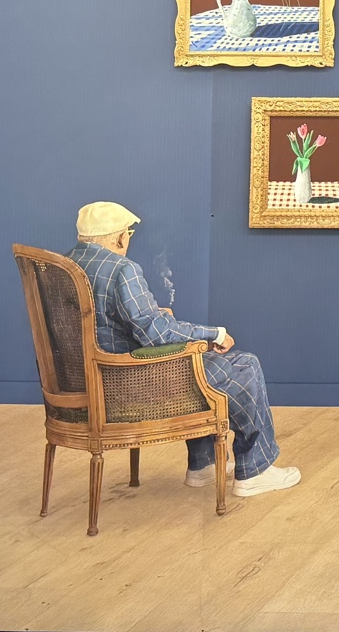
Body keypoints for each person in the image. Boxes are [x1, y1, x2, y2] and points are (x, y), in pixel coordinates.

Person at [67, 201, 300, 498]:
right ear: (120, 238)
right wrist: (215, 333)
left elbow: (103, 321)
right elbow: (157, 335)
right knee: (244, 365)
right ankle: (256, 471)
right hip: (130, 386)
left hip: (92, 384)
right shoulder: (122, 269)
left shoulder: (66, 266)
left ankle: (204, 465)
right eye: (129, 233)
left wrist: (153, 315)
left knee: (198, 363)